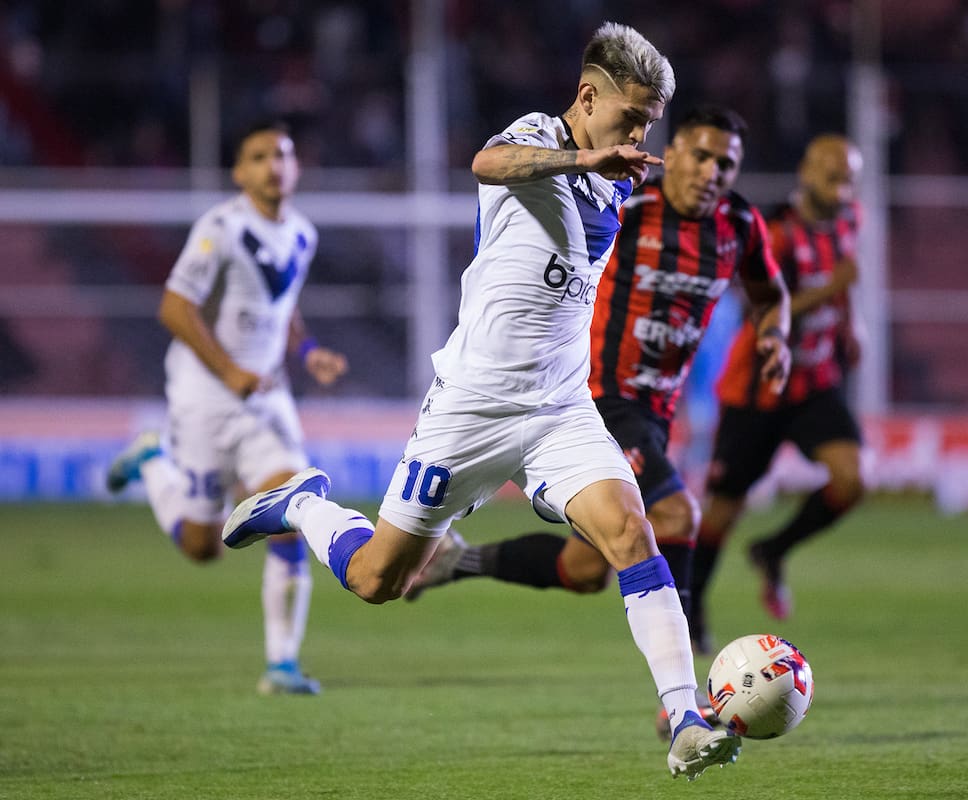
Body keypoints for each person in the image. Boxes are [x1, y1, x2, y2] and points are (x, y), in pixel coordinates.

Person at [220, 23, 740, 781]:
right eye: (630, 119)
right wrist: (582, 154)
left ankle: (686, 719)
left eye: (647, 125)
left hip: (561, 409)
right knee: (376, 582)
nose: (638, 137)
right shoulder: (542, 136)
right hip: (471, 407)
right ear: (588, 98)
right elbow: (487, 161)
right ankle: (303, 505)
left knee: (632, 533)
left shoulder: (620, 172)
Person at [406, 106, 791, 667]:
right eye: (701, 156)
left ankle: (454, 563)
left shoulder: (739, 225)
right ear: (674, 152)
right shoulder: (628, 204)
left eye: (725, 164)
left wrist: (775, 337)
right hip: (596, 397)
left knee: (585, 571)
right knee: (678, 515)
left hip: (656, 412)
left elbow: (770, 292)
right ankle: (685, 687)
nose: (711, 172)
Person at [106, 120, 348, 694]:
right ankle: (151, 461)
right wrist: (229, 371)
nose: (273, 165)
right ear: (240, 172)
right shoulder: (220, 228)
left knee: (295, 506)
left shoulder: (302, 235)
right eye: (259, 156)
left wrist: (307, 351)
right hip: (204, 398)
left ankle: (282, 663)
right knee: (201, 546)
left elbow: (281, 304)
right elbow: (173, 307)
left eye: (282, 155)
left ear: (296, 167)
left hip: (265, 400)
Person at [692, 134, 867, 625]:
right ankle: (691, 606)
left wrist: (852, 327)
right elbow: (758, 308)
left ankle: (773, 550)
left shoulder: (851, 221)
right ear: (807, 174)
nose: (841, 191)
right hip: (758, 386)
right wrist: (833, 289)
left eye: (849, 181)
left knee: (851, 479)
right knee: (723, 512)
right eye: (833, 178)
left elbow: (844, 282)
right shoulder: (777, 233)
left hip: (813, 381)